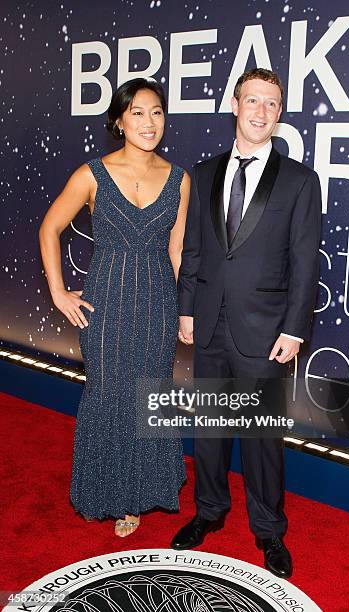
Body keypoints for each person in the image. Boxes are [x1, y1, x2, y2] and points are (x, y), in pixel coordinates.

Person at [172, 68, 321, 578]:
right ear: (234, 105)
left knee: (262, 442)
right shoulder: (204, 172)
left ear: (279, 114)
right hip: (209, 325)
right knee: (211, 432)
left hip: (267, 332)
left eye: (272, 104)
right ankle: (208, 512)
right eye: (252, 100)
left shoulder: (300, 180)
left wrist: (295, 327)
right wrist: (186, 308)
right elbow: (193, 249)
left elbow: (305, 262)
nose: (261, 112)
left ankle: (268, 531)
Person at [39, 78, 189, 537]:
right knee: (108, 397)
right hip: (105, 304)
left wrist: (183, 311)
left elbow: (178, 251)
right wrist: (59, 293)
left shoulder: (179, 179)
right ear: (120, 120)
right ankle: (105, 491)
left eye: (157, 112)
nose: (149, 122)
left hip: (157, 306)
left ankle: (137, 498)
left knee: (147, 398)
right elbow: (49, 229)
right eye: (138, 112)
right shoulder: (91, 174)